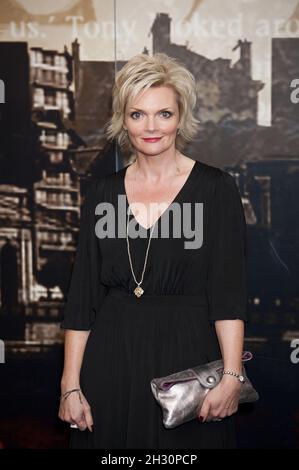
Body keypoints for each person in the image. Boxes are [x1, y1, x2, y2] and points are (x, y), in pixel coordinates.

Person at [58, 52, 248, 449]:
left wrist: (232, 377)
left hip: (189, 360)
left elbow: (228, 297)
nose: (151, 127)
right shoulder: (102, 192)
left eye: (164, 114)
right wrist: (69, 385)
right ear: (123, 120)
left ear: (181, 117)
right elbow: (82, 299)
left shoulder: (215, 189)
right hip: (111, 360)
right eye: (137, 114)